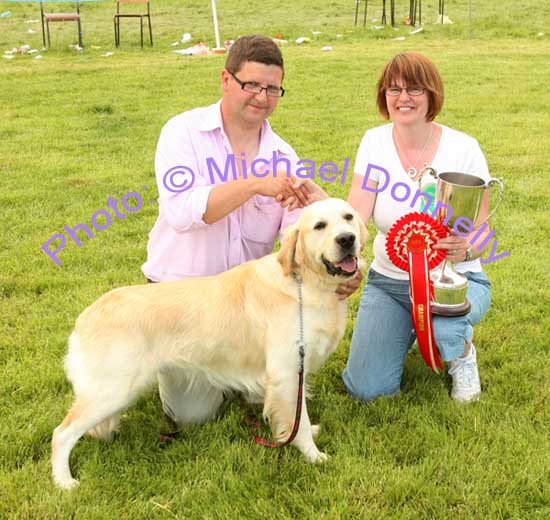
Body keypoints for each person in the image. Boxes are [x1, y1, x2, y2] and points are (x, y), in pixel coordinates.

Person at [141, 34, 358, 424]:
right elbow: (180, 210)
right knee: (193, 415)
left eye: (272, 88)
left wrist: (341, 267)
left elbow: (302, 235)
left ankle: (245, 375)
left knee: (265, 382)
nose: (262, 96)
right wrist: (255, 184)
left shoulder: (283, 156)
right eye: (252, 85)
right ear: (226, 80)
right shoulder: (182, 132)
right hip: (184, 302)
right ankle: (187, 366)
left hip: (248, 306)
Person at [343, 52, 494, 403]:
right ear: (384, 97)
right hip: (388, 282)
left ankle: (461, 353)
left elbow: (484, 232)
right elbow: (356, 215)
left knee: (445, 320)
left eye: (413, 88)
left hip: (455, 282)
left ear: (431, 95)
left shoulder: (463, 148)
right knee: (367, 390)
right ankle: (409, 327)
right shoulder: (374, 141)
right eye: (393, 89)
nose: (403, 97)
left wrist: (467, 248)